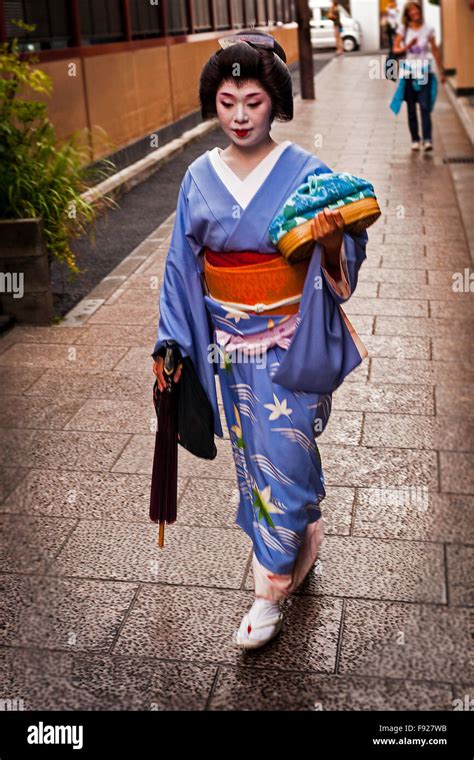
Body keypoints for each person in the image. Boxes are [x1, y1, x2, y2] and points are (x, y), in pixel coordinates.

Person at [151, 30, 368, 649]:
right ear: (212, 104)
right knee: (261, 462)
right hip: (229, 349)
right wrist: (173, 344)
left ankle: (267, 591)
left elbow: (347, 249)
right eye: (226, 102)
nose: (240, 115)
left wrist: (331, 244)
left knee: (288, 454)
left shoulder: (306, 171)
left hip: (290, 343)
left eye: (253, 100)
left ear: (276, 100)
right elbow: (179, 267)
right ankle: (301, 533)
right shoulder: (198, 175)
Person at [391, 1, 445, 151]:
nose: (414, 14)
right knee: (411, 109)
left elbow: (434, 50)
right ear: (407, 15)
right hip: (408, 73)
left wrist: (441, 71)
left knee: (425, 106)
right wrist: (407, 46)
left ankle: (427, 139)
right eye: (411, 12)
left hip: (424, 72)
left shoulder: (428, 29)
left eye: (416, 11)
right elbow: (395, 49)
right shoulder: (404, 29)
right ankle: (415, 139)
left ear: (420, 11)